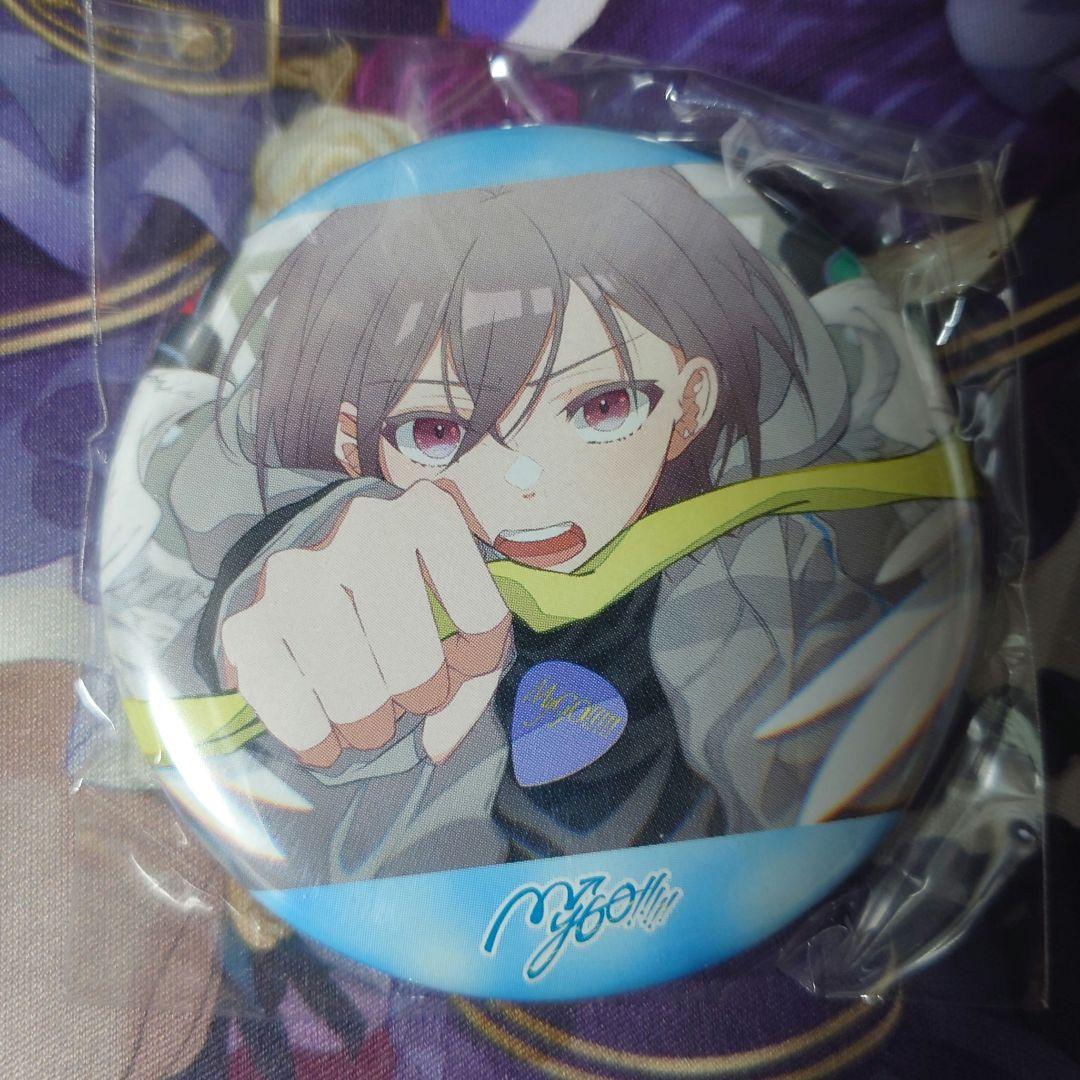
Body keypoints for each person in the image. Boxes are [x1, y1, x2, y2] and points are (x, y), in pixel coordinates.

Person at [100, 165, 976, 888]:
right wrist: (276, 589)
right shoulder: (319, 532)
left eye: (603, 405)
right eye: (436, 430)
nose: (525, 485)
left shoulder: (789, 535)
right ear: (350, 441)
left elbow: (905, 530)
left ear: (691, 402)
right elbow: (194, 511)